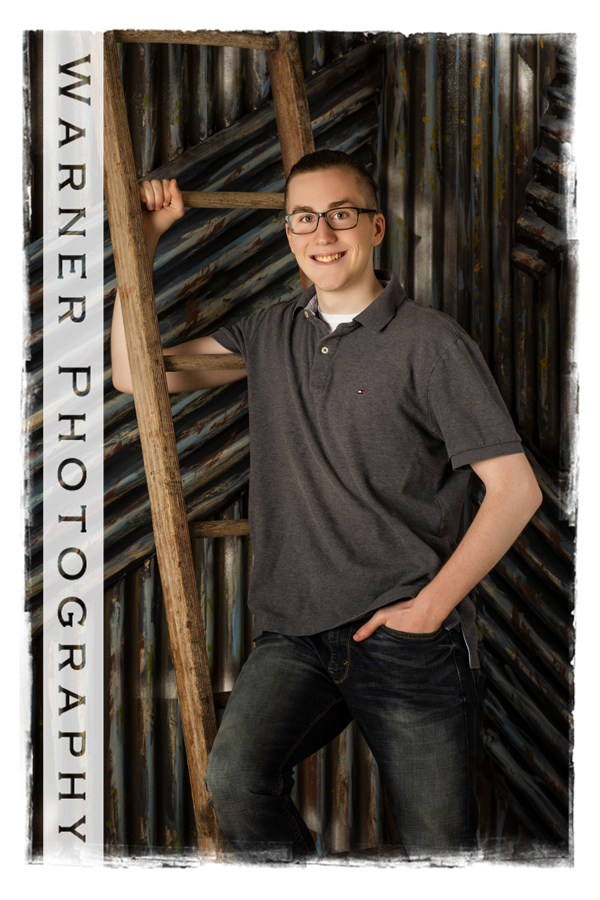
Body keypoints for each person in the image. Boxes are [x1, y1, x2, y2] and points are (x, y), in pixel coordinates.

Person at [111, 149, 542, 864]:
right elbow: (135, 374)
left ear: (375, 227)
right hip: (297, 635)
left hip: (408, 639)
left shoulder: (431, 343)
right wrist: (147, 239)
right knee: (235, 779)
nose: (323, 233)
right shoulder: (269, 333)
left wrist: (428, 611)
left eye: (341, 214)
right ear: (289, 235)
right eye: (304, 219)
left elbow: (516, 490)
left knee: (441, 853)